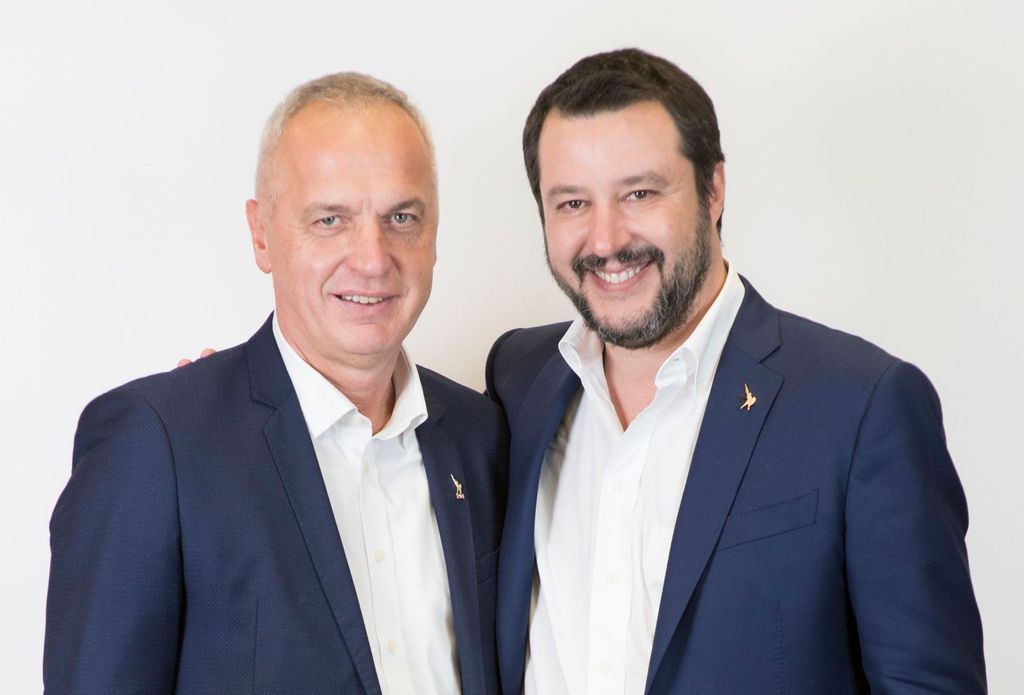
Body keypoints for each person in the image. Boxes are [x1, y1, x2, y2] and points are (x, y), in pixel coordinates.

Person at [486, 48, 985, 694]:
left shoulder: (862, 407)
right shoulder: (518, 381)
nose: (605, 240)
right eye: (573, 203)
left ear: (713, 189)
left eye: (639, 193)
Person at [44, 73, 507, 695]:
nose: (372, 258)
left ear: (434, 233)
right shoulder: (158, 446)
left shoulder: (482, 437)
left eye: (402, 217)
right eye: (330, 219)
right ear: (261, 233)